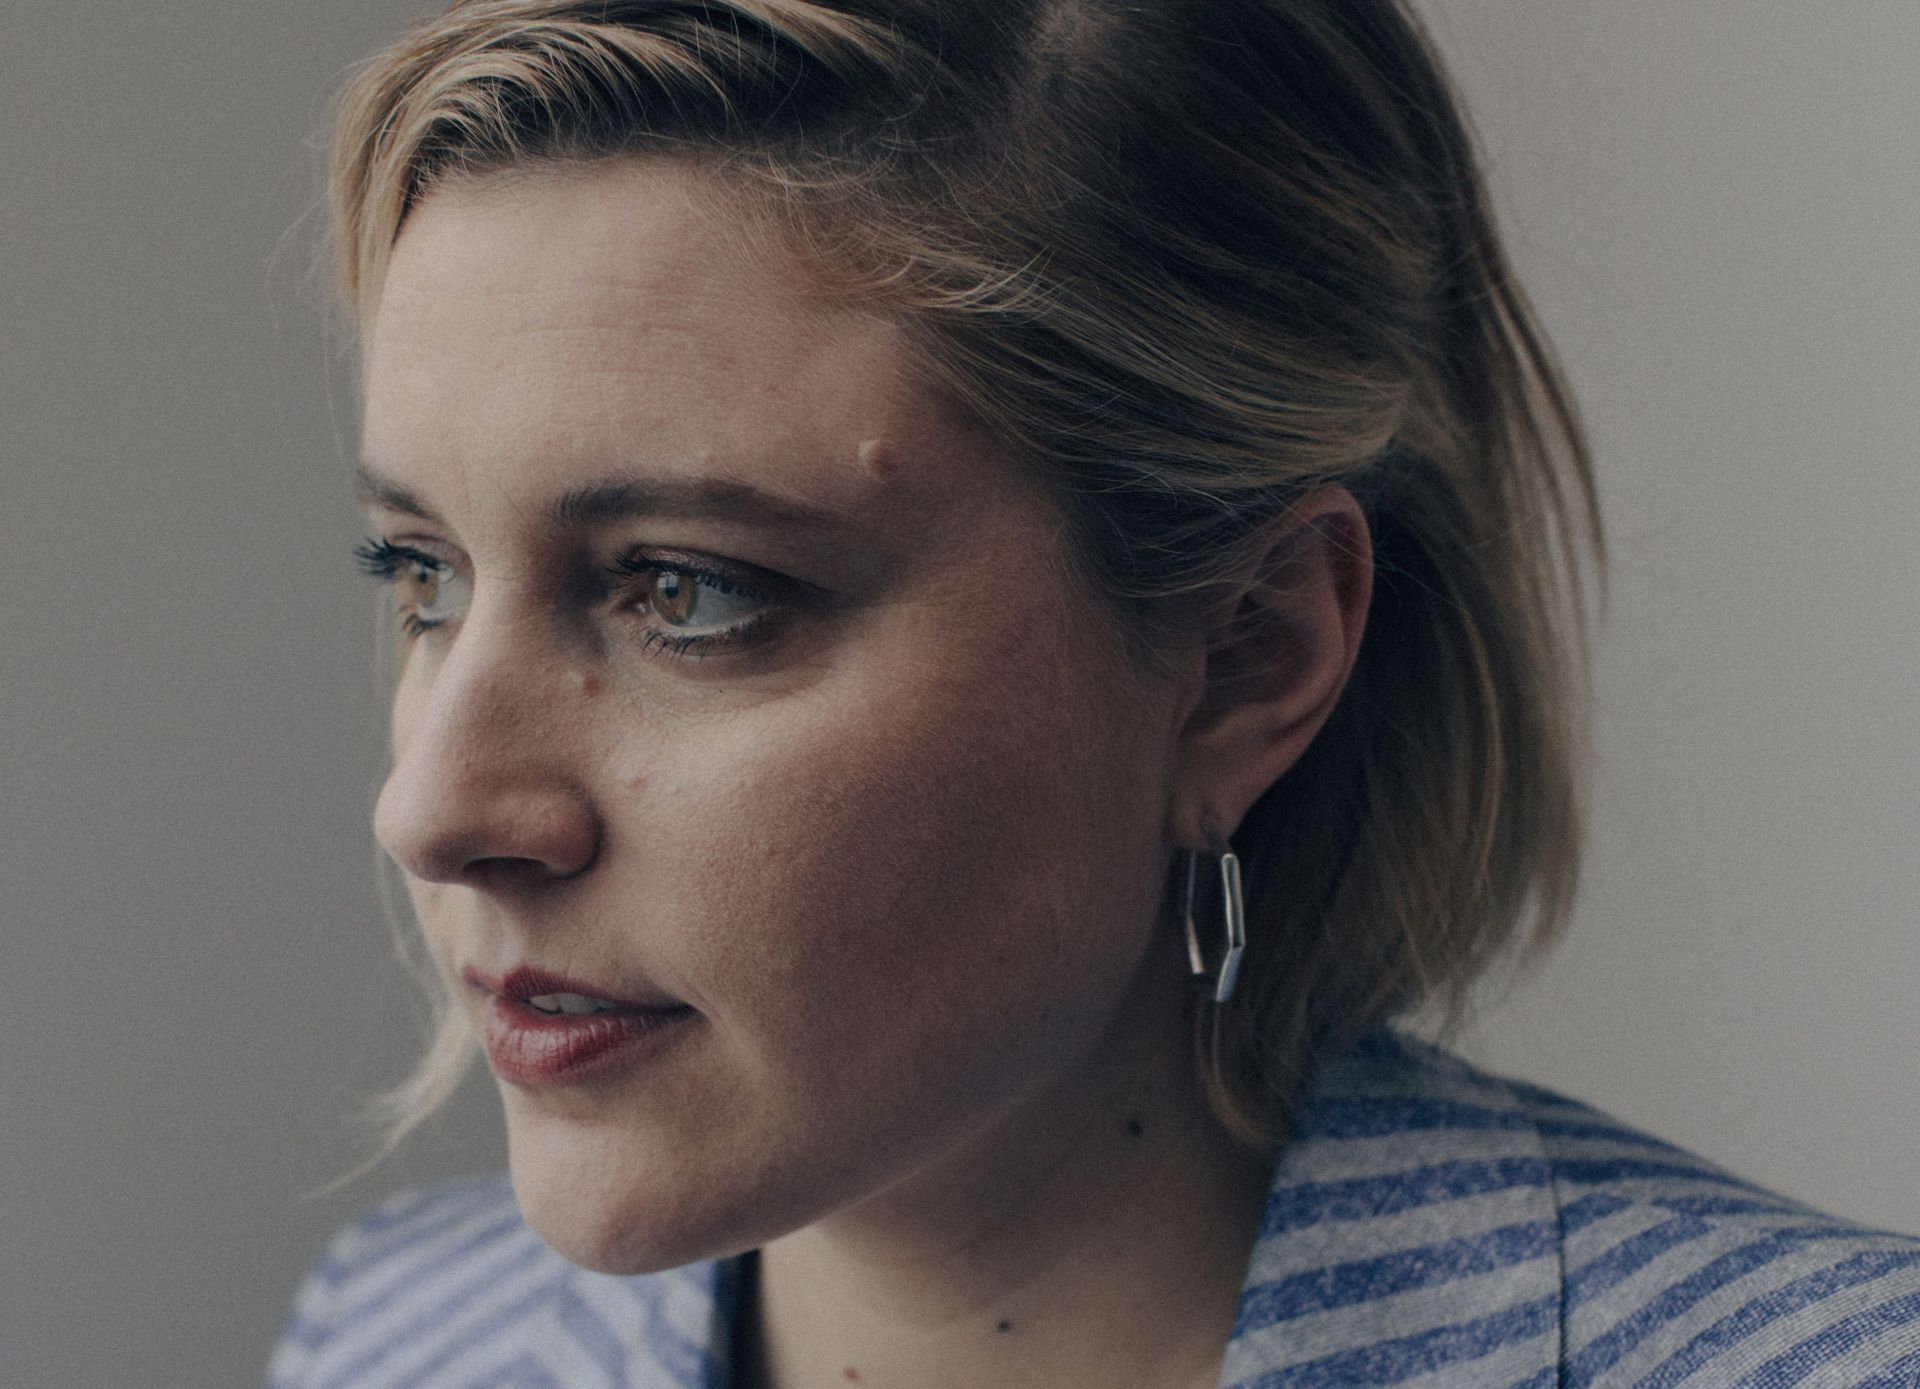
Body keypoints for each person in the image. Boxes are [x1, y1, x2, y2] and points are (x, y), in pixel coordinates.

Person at [269, 2, 1920, 1385]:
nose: (433, 809)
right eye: (420, 572)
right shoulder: (401, 1341)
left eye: (689, 591)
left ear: (1246, 658)